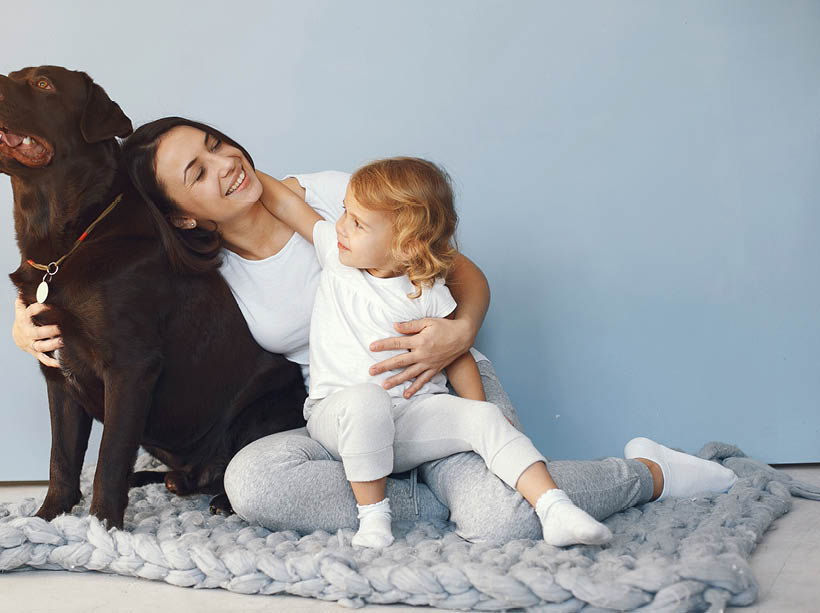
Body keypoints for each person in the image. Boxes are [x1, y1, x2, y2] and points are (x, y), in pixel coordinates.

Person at [11, 117, 738, 543]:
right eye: (197, 173)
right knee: (253, 482)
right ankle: (435, 500)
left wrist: (460, 333)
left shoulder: (329, 198)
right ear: (182, 214)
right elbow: (85, 259)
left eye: (215, 144)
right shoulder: (201, 275)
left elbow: (464, 274)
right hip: (343, 415)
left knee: (499, 523)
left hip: (436, 380)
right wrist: (27, 317)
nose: (225, 165)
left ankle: (651, 471)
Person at [256, 157, 613, 548]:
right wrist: (228, 171)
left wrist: (480, 413)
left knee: (485, 419)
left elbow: (455, 354)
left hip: (411, 420)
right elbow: (288, 204)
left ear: (406, 244)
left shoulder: (429, 293)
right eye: (345, 212)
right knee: (366, 400)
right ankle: (374, 520)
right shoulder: (336, 256)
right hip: (338, 416)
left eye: (358, 223)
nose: (341, 225)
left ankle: (554, 508)